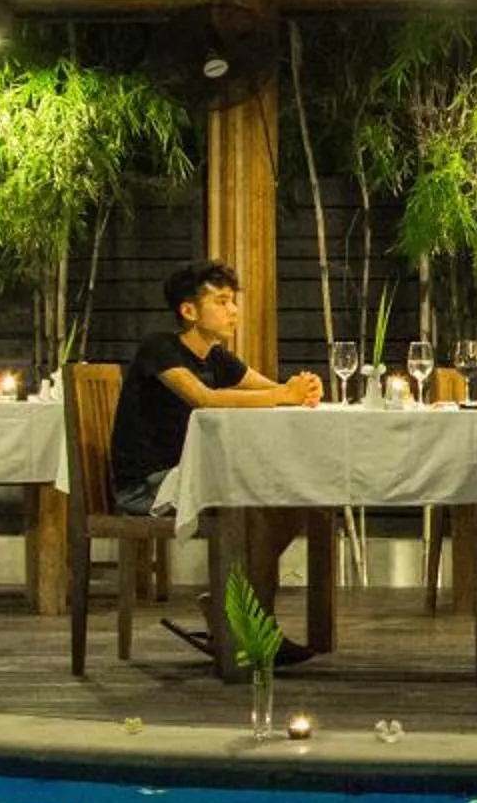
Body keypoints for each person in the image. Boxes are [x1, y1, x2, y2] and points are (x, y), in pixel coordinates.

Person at [110, 260, 325, 658]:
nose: (233, 311)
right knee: (256, 509)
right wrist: (283, 395)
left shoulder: (218, 358)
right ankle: (245, 626)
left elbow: (272, 390)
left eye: (233, 301)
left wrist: (301, 388)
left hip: (190, 477)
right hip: (147, 486)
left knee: (293, 501)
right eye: (222, 302)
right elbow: (202, 398)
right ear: (188, 311)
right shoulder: (160, 348)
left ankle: (240, 614)